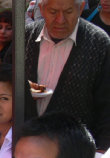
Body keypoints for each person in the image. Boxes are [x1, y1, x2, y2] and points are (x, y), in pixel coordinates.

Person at [24, 0, 110, 150]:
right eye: (53, 12)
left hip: (74, 152)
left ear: (81, 8)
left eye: (68, 12)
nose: (60, 20)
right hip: (27, 146)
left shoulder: (99, 43)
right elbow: (10, 83)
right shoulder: (26, 36)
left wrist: (102, 151)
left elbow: (107, 106)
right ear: (42, 9)